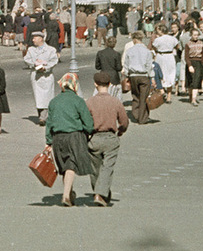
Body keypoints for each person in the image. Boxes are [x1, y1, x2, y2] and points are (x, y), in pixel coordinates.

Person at [45, 72, 94, 206]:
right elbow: (88, 122)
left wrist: (48, 141)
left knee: (64, 165)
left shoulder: (54, 102)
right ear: (74, 85)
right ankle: (66, 195)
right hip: (74, 136)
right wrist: (89, 131)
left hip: (57, 137)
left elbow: (49, 122)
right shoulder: (78, 101)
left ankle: (70, 193)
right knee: (71, 164)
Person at [86, 70, 128, 204]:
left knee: (95, 168)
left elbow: (85, 121)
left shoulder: (90, 102)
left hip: (94, 137)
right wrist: (121, 131)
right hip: (110, 137)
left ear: (95, 85)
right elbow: (124, 121)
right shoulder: (115, 101)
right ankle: (100, 194)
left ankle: (99, 191)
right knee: (107, 166)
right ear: (109, 84)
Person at [23, 31, 59, 121]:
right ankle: (41, 115)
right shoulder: (31, 50)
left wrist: (45, 67)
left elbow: (54, 61)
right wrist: (34, 64)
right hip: (36, 76)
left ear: (41, 39)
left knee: (47, 96)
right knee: (38, 97)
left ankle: (44, 117)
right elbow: (26, 59)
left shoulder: (51, 50)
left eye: (35, 38)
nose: (33, 40)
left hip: (46, 76)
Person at [122, 31, 154, 125]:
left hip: (133, 76)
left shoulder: (130, 51)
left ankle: (135, 114)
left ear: (134, 39)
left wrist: (127, 75)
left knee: (135, 96)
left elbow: (126, 64)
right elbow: (149, 65)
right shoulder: (147, 51)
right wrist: (152, 77)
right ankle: (142, 118)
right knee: (143, 97)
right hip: (144, 75)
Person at [153, 27, 180, 103]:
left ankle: (161, 91)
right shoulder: (173, 38)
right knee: (170, 74)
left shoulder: (158, 39)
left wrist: (158, 51)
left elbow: (154, 46)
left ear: (161, 31)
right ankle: (169, 96)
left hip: (160, 56)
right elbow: (177, 46)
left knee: (159, 73)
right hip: (170, 56)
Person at [183, 29, 203, 105]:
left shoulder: (201, 43)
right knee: (190, 81)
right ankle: (190, 96)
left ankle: (194, 99)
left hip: (198, 62)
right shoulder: (188, 44)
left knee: (196, 81)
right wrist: (189, 65)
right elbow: (186, 56)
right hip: (191, 61)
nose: (196, 37)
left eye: (197, 35)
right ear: (191, 35)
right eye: (194, 35)